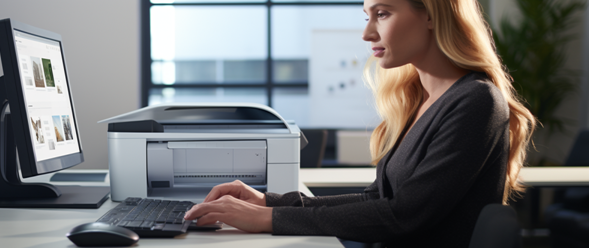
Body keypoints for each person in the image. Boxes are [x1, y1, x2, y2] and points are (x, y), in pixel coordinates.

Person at [184, 0, 536, 247]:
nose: (367, 33)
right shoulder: (421, 99)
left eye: (382, 14)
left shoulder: (477, 101)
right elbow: (377, 198)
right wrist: (269, 203)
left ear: (430, 14)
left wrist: (268, 220)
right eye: (366, 16)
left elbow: (402, 216)